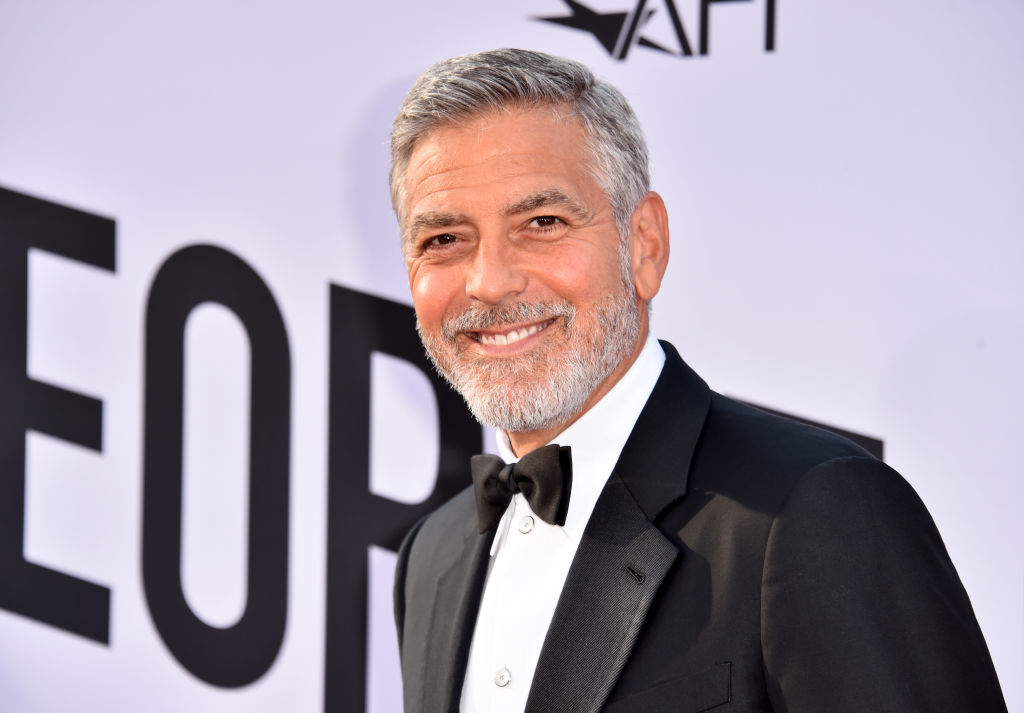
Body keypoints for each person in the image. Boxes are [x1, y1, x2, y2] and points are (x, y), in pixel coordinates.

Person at [389, 48, 1007, 713]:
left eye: (542, 224)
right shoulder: (432, 556)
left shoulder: (812, 511)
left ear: (645, 244)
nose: (488, 281)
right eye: (445, 239)